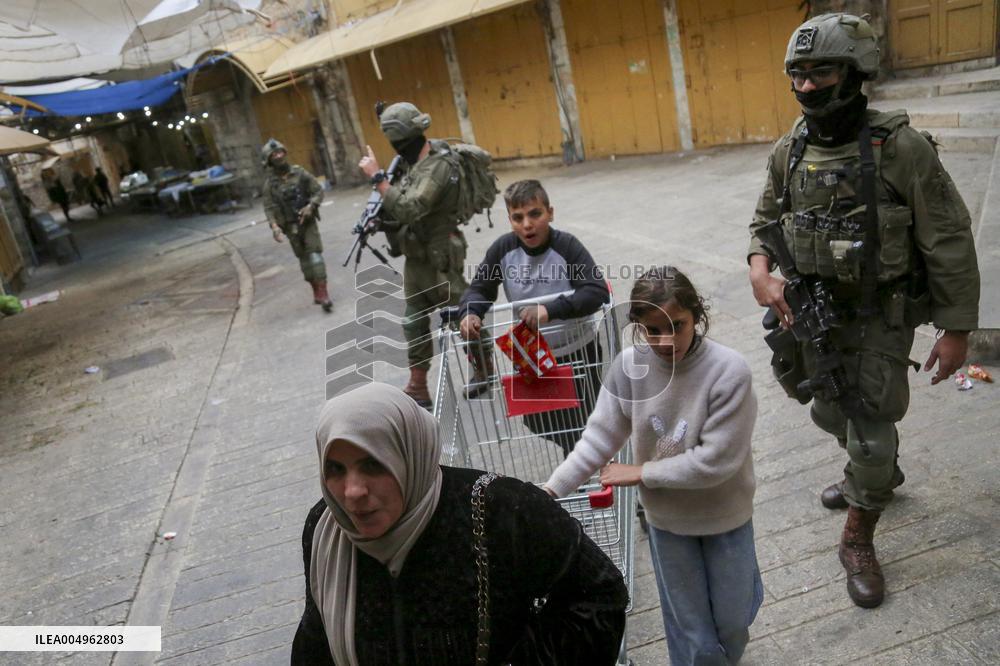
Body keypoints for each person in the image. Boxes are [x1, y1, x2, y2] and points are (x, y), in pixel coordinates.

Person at [747, 13, 980, 608]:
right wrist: (760, 271)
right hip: (813, 315)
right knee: (828, 414)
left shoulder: (901, 149)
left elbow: (949, 239)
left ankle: (859, 532)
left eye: (820, 71)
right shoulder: (789, 149)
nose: (806, 87)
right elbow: (762, 221)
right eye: (797, 74)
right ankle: (874, 478)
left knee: (871, 434)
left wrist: (956, 331)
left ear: (856, 72)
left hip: (881, 314)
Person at [291, 382, 629, 665]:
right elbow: (316, 638)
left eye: (373, 465)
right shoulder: (325, 530)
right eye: (335, 469)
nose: (353, 492)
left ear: (410, 456)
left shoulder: (500, 509)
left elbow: (599, 593)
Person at [545, 267, 762, 666]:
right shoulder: (630, 368)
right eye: (651, 330)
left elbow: (717, 461)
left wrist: (641, 473)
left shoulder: (730, 371)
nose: (665, 341)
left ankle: (740, 608)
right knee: (691, 629)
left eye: (675, 326)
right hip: (668, 523)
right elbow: (598, 438)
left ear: (696, 315)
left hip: (726, 519)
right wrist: (550, 491)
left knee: (732, 621)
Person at [458, 179, 610, 455]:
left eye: (535, 214)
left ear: (549, 213)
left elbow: (595, 290)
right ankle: (579, 457)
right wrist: (471, 312)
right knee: (540, 419)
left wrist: (550, 310)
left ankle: (581, 467)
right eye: (518, 217)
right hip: (533, 353)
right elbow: (479, 288)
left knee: (584, 419)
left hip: (577, 350)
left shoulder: (566, 247)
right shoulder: (503, 250)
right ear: (510, 220)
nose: (527, 224)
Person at [357, 102, 482, 409]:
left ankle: (483, 365)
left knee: (462, 316)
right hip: (415, 254)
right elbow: (400, 206)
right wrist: (379, 218)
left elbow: (412, 206)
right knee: (412, 320)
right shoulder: (408, 164)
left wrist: (379, 181)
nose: (396, 148)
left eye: (397, 142)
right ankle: (418, 384)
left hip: (441, 253)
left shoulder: (439, 165)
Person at [261, 138, 333, 312]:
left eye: (280, 152)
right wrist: (275, 227)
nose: (279, 156)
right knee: (305, 262)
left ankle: (324, 294)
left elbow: (318, 190)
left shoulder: (300, 173)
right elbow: (269, 208)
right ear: (269, 160)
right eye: (274, 154)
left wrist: (311, 206)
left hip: (307, 223)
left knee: (315, 256)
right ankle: (315, 289)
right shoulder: (270, 185)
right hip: (290, 228)